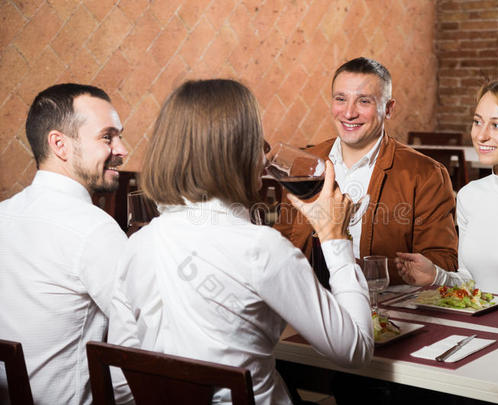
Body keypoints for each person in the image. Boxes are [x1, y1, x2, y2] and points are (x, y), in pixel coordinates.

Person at [107, 79, 374, 405]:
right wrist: (334, 237)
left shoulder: (138, 244)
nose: (264, 157)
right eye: (255, 141)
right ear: (239, 153)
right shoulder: (262, 248)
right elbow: (355, 350)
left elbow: (121, 379)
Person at [274, 57, 459, 285]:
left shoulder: (425, 174)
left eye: (364, 101)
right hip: (312, 307)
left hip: (384, 311)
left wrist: (363, 271)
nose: (349, 113)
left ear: (388, 109)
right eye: (341, 99)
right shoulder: (304, 165)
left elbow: (443, 262)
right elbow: (282, 243)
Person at [0, 83, 129, 404]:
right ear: (60, 145)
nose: (123, 150)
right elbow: (144, 342)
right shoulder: (94, 230)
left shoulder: (3, 214)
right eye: (107, 137)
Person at [396, 76, 498, 297]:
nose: (481, 135)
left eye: (497, 125)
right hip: (479, 324)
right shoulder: (469, 195)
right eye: (477, 122)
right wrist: (436, 276)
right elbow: (469, 281)